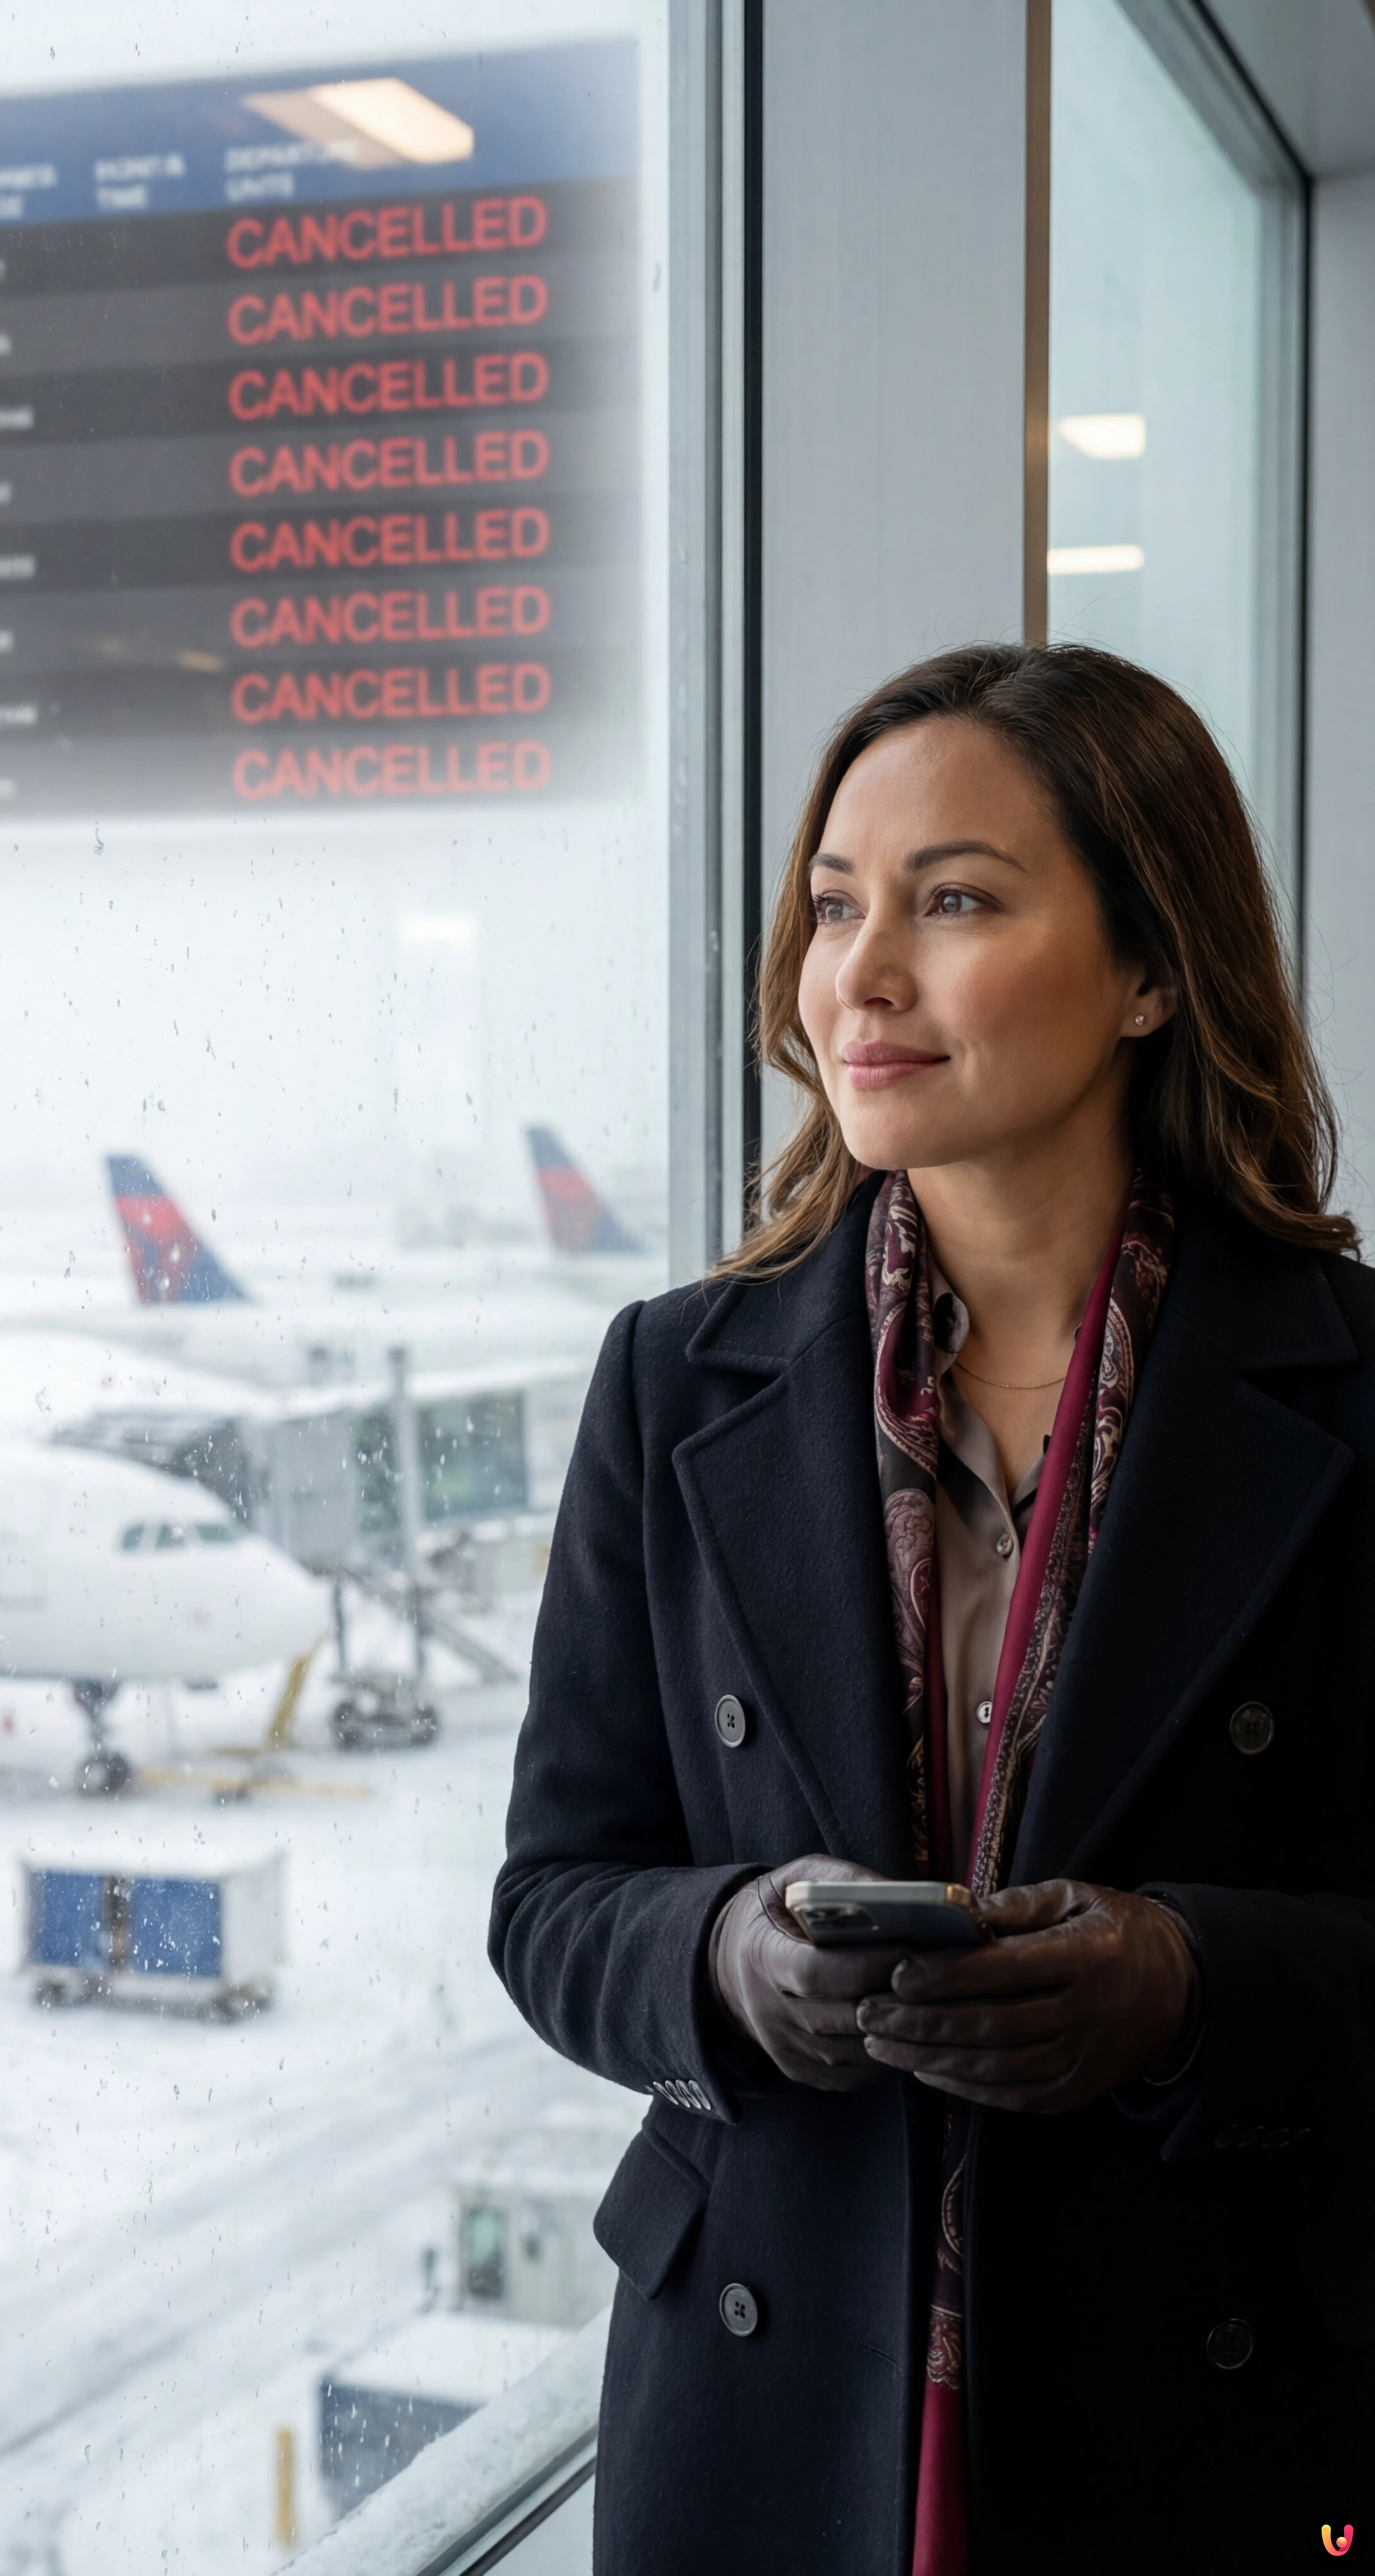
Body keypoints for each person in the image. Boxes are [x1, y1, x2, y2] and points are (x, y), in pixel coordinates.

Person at [489, 643, 1375, 2575]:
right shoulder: (675, 1382)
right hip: (761, 2423)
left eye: (953, 901)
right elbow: (552, 1897)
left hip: (1212, 2409)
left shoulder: (1351, 1393)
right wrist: (731, 1953)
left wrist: (1185, 1982)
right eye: (834, 907)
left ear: (1152, 970)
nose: (859, 976)